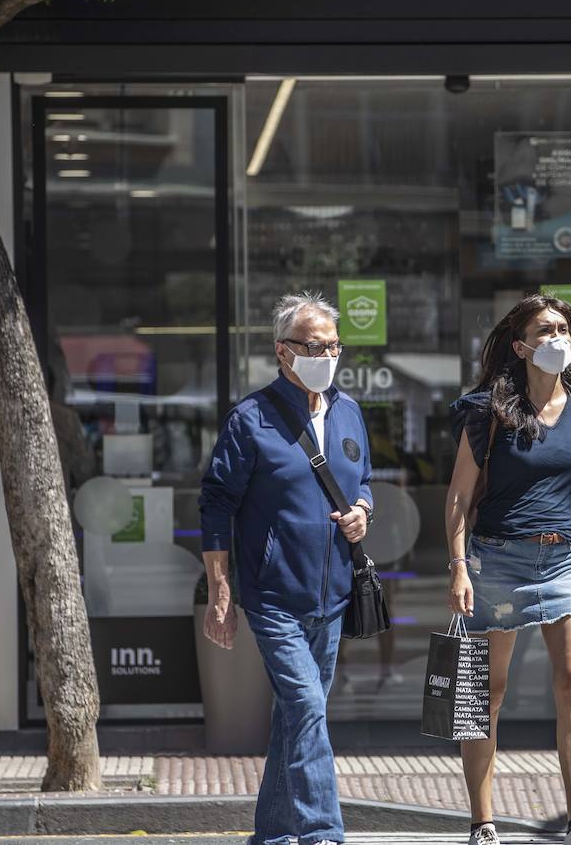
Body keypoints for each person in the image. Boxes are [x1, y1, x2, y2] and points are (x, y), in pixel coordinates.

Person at [199, 291, 374, 845]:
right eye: (315, 346)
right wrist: (220, 590)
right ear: (283, 352)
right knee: (306, 706)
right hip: (274, 598)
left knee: (297, 717)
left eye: (334, 345)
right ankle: (324, 831)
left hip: (334, 595)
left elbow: (362, 480)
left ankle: (272, 834)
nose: (328, 355)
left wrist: (363, 512)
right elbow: (216, 503)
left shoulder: (349, 411)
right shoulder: (250, 420)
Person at [445, 293, 571, 845]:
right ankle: (482, 821)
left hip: (566, 558)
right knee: (486, 690)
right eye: (545, 331)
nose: (558, 339)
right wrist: (457, 567)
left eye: (565, 329)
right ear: (520, 346)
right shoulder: (486, 411)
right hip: (497, 557)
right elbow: (457, 495)